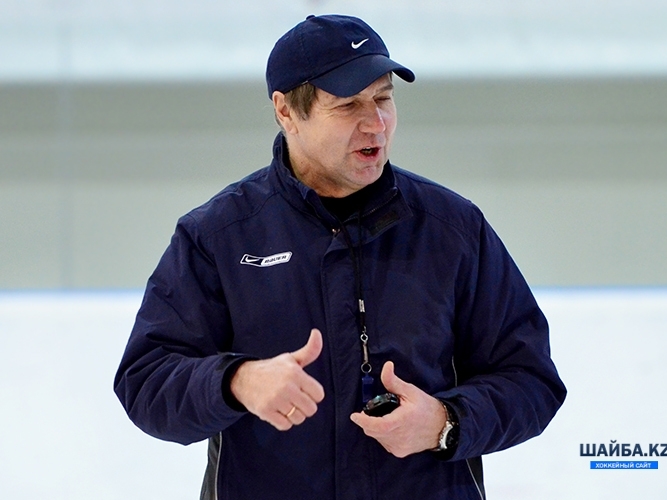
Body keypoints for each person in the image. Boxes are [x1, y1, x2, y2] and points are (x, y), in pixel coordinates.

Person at [114, 14, 566, 500]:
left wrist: (445, 423)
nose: (376, 124)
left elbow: (530, 379)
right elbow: (146, 382)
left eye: (383, 98)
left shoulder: (452, 228)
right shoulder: (218, 237)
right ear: (286, 112)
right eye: (348, 105)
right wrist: (236, 382)